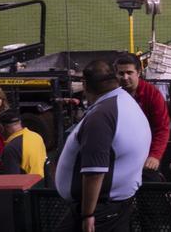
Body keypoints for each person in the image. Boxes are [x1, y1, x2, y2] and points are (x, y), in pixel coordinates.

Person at [55, 60, 150, 232]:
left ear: (85, 85)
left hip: (100, 211)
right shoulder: (125, 101)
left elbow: (95, 172)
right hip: (115, 207)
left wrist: (88, 214)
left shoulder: (102, 115)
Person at [115, 54, 169, 180]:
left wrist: (155, 156)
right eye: (121, 73)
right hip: (120, 156)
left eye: (129, 72)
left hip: (146, 156)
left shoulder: (152, 94)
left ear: (138, 72)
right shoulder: (113, 94)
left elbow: (162, 128)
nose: (125, 77)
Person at [0, 110, 47, 177]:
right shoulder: (36, 136)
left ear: (1, 127)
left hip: (26, 185)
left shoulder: (11, 148)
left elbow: (12, 179)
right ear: (19, 123)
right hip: (42, 183)